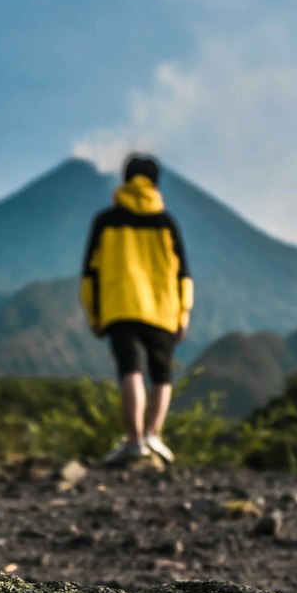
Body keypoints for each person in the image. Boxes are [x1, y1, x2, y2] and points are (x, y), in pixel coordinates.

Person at [80, 154, 193, 464]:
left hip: (120, 307)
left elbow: (90, 274)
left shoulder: (105, 221)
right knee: (161, 373)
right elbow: (183, 274)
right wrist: (183, 314)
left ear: (125, 179)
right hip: (162, 308)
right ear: (156, 182)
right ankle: (154, 435)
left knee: (130, 370)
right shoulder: (166, 222)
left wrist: (95, 314)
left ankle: (134, 440)